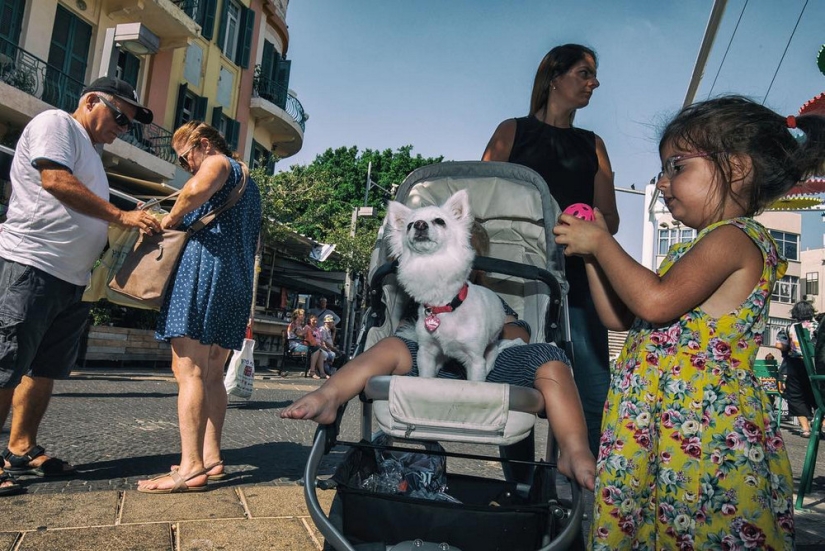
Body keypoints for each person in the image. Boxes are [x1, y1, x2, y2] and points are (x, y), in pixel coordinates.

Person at [554, 95, 825, 548]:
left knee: (697, 530)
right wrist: (591, 257)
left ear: (736, 167)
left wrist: (603, 246)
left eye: (676, 166)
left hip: (703, 433)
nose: (662, 183)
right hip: (664, 427)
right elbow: (620, 314)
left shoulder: (735, 240)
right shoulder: (693, 249)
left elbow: (656, 302)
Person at [282, 223, 596, 491]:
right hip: (427, 363)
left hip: (491, 365)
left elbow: (517, 331)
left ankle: (573, 447)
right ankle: (329, 396)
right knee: (391, 346)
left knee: (550, 357)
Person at [0, 77, 160, 496]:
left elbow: (85, 202)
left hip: (72, 278)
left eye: (130, 125)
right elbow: (55, 181)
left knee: (45, 369)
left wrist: (126, 212)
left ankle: (20, 448)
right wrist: (121, 216)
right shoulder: (58, 124)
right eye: (119, 117)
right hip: (31, 263)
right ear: (91, 100)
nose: (123, 128)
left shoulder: (91, 151)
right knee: (5, 364)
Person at [482, 44, 619, 455]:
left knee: (594, 393)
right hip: (516, 278)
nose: (594, 82)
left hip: (578, 279)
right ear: (554, 77)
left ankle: (587, 499)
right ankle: (521, 496)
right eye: (584, 73)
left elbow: (610, 219)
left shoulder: (593, 144)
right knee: (515, 385)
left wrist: (587, 227)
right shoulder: (512, 131)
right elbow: (482, 208)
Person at [137, 121, 261, 493]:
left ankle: (190, 467)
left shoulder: (219, 163)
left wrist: (167, 220)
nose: (186, 165)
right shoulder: (248, 182)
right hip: (234, 279)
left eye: (185, 156)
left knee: (188, 368)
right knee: (210, 372)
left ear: (203, 145)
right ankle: (210, 458)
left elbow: (194, 189)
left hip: (203, 272)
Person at [776, 301, 818, 438]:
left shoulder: (789, 328)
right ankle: (823, 423)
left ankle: (805, 428)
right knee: (819, 394)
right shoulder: (818, 326)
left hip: (795, 365)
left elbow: (779, 345)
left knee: (796, 396)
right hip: (816, 366)